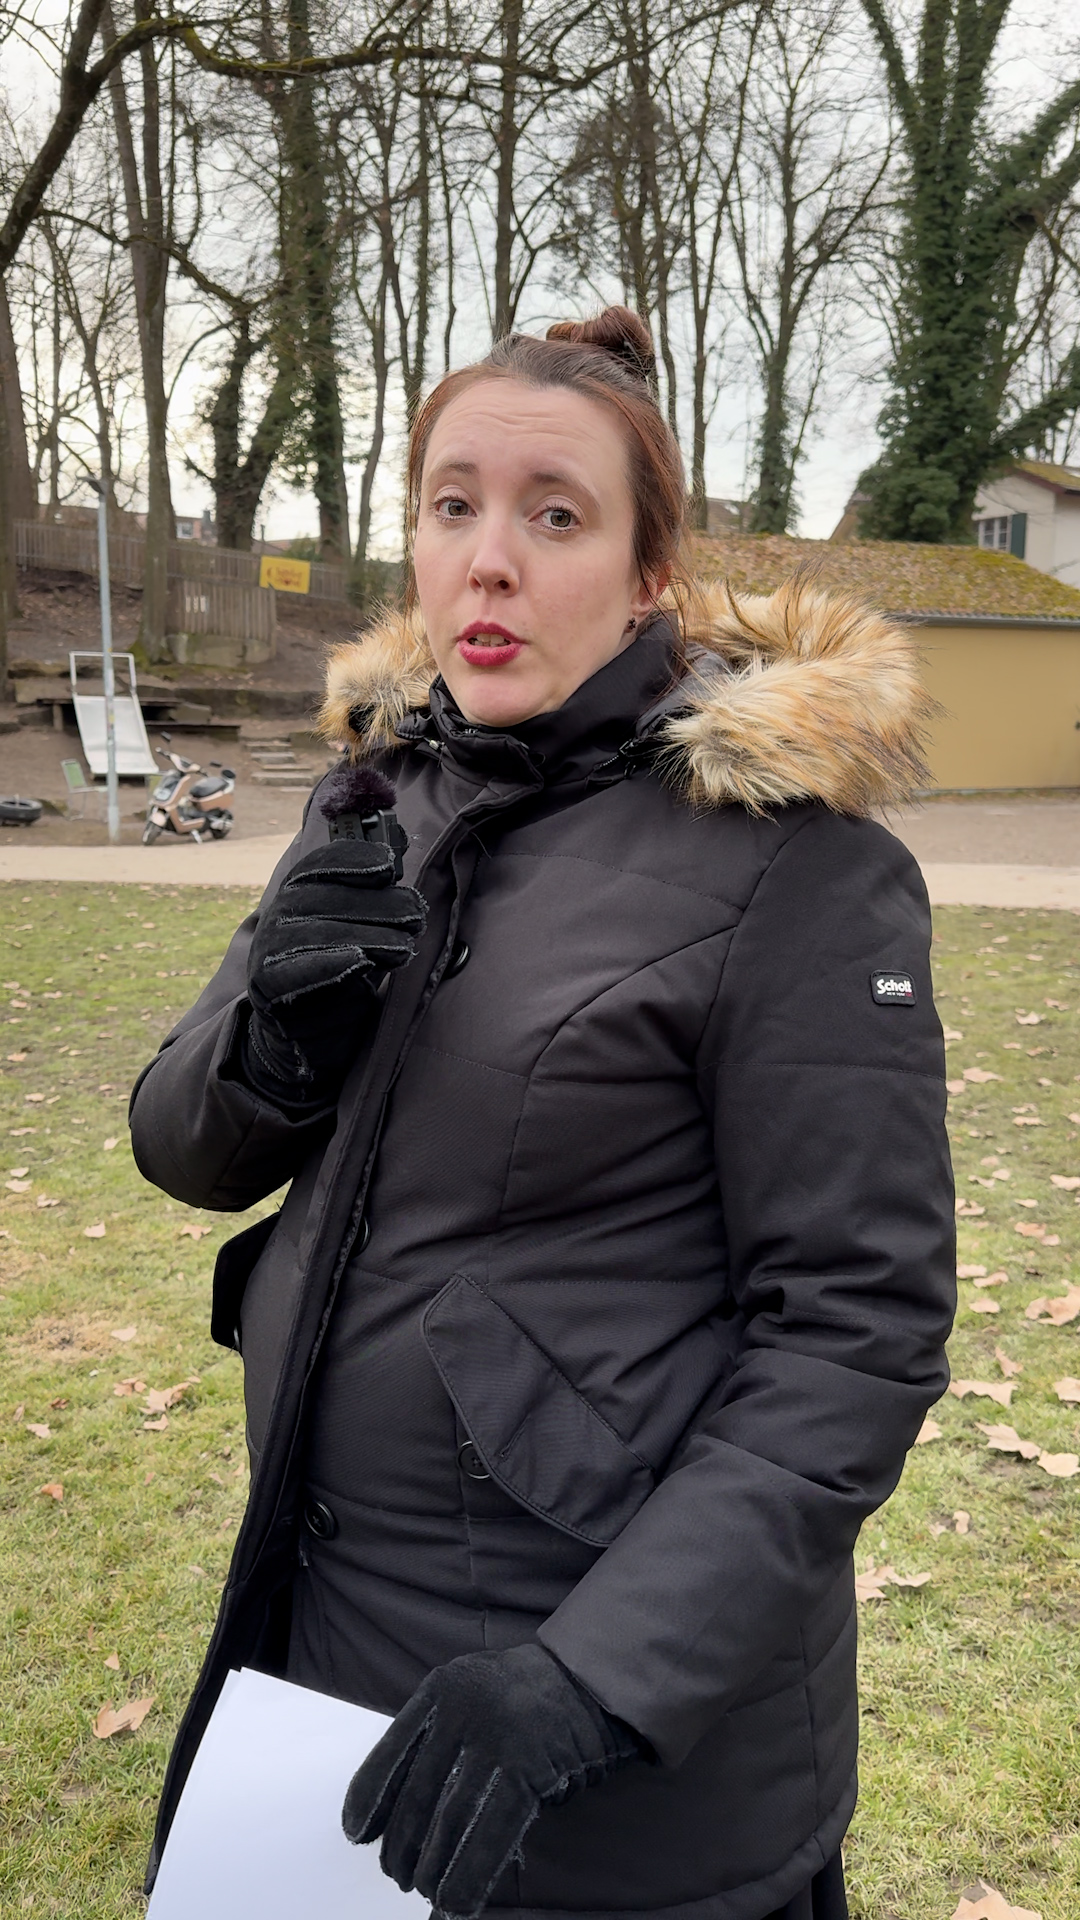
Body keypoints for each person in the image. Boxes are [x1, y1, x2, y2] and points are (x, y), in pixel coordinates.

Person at [130, 306, 955, 1920]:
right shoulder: (371, 797)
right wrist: (278, 1041)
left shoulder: (795, 868)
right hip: (332, 1627)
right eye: (451, 504)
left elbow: (855, 1335)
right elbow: (183, 1148)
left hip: (615, 1719)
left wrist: (593, 1682)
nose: (485, 562)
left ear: (654, 576)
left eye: (553, 514)